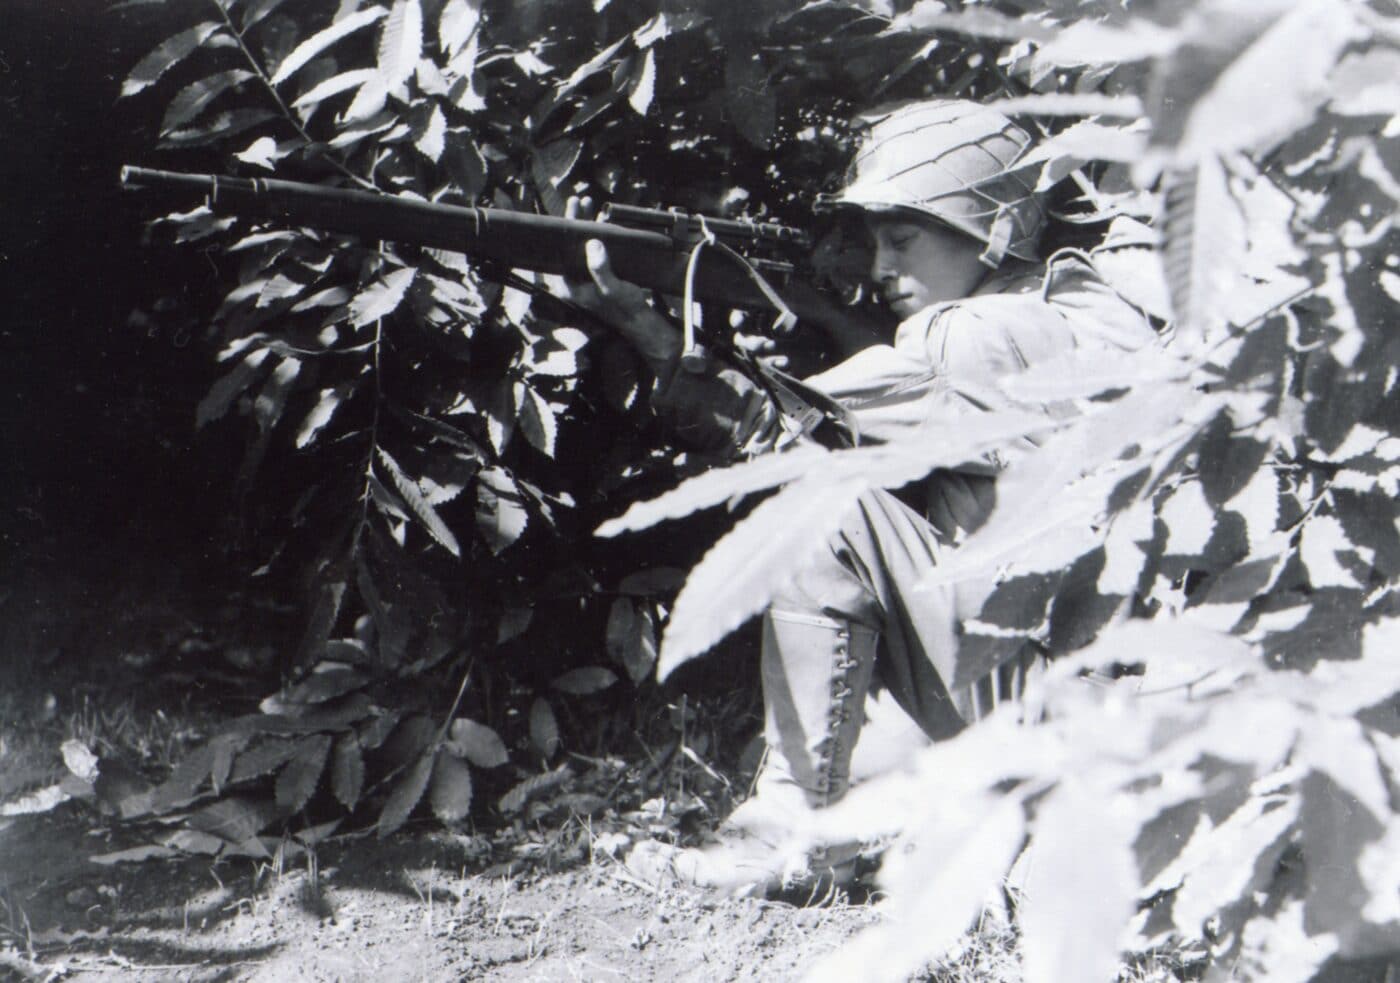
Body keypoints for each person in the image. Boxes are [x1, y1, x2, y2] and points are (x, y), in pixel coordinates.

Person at [566, 99, 1160, 895]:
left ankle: (782, 848)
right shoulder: (1077, 315)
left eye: (904, 239)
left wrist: (655, 340)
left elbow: (781, 430)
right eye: (877, 240)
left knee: (826, 505)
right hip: (1120, 715)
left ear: (999, 230)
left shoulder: (966, 336)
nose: (881, 267)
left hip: (1057, 711)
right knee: (853, 773)